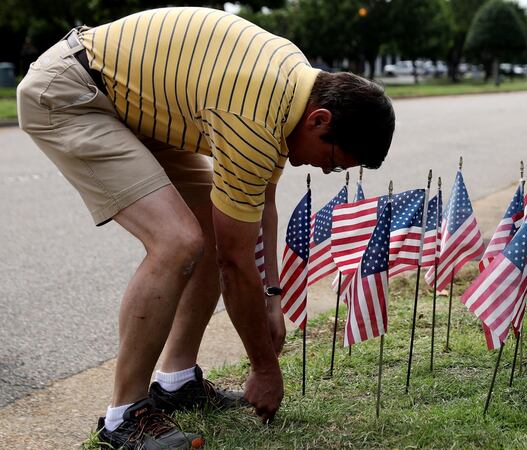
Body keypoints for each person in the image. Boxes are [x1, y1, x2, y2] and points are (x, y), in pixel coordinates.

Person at [16, 7, 394, 449]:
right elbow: (235, 263)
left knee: (212, 231)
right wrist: (264, 368)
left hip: (133, 104)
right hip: (70, 93)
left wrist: (274, 296)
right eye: (332, 161)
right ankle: (124, 416)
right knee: (176, 241)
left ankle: (175, 381)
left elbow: (261, 204)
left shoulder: (293, 89)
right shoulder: (255, 118)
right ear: (320, 120)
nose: (326, 170)